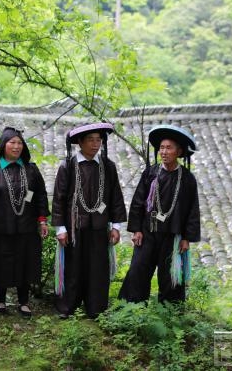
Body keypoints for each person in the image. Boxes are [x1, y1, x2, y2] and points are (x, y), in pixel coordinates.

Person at [51, 122, 127, 318]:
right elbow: (59, 198)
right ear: (80, 143)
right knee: (74, 267)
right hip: (73, 228)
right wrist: (60, 228)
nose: (95, 145)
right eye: (91, 140)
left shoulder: (108, 167)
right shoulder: (68, 166)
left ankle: (96, 308)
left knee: (98, 268)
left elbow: (115, 197)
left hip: (100, 227)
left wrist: (116, 226)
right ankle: (68, 307)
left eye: (98, 140)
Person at [118, 124, 200, 303]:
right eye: (161, 147)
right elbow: (138, 202)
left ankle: (171, 312)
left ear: (178, 152)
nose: (164, 152)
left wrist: (186, 238)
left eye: (169, 148)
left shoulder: (187, 179)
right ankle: (130, 308)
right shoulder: (151, 173)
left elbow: (192, 211)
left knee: (170, 276)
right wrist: (136, 230)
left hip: (173, 236)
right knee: (138, 269)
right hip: (148, 232)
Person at [0, 126, 49, 317]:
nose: (16, 146)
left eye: (19, 143)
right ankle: (0, 301)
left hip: (26, 226)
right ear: (3, 145)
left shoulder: (31, 170)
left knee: (24, 261)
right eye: (12, 142)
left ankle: (24, 302)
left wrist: (42, 220)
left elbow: (40, 196)